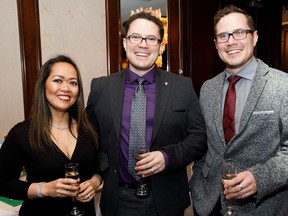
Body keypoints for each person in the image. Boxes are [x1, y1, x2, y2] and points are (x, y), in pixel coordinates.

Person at [86, 11, 207, 216]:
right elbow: (90, 140)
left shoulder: (182, 86)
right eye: (136, 37)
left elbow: (200, 138)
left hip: (166, 200)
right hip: (118, 200)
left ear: (161, 47)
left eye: (151, 39)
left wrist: (167, 157)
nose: (143, 44)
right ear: (125, 43)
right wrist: (99, 173)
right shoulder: (101, 88)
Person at [190, 4, 288, 216]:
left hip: (263, 207)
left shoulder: (283, 85)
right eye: (223, 36)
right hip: (209, 203)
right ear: (216, 44)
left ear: (254, 38)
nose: (231, 41)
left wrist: (259, 178)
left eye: (239, 33)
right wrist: (196, 181)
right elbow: (204, 144)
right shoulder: (208, 88)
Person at [0, 55, 102, 216]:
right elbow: (3, 183)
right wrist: (44, 189)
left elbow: (103, 166)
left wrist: (95, 182)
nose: (66, 88)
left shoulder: (90, 128)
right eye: (58, 80)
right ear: (43, 86)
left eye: (73, 82)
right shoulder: (22, 133)